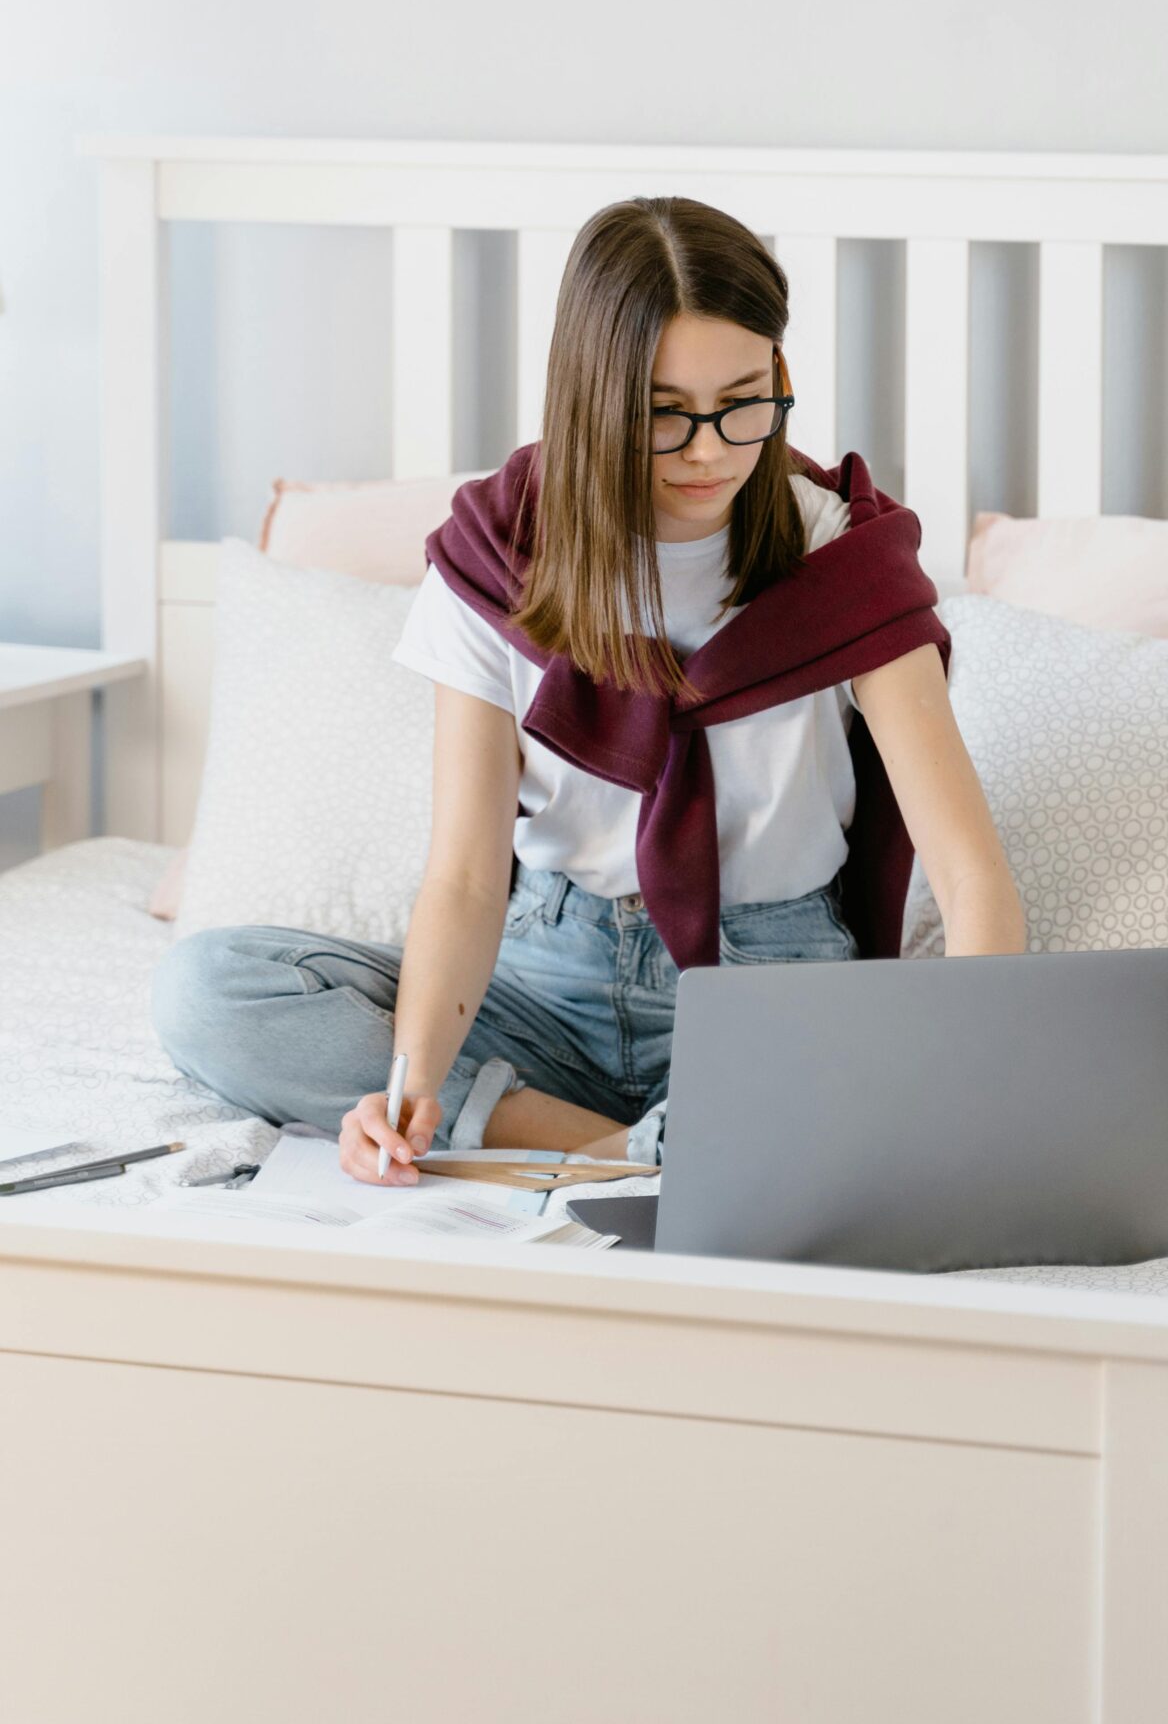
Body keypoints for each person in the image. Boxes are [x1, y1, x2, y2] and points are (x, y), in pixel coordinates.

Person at [151, 194, 1027, 1187]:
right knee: (208, 989)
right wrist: (407, 1089)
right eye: (665, 414)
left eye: (746, 399)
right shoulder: (499, 556)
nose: (711, 449)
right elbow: (469, 877)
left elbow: (969, 875)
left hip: (766, 985)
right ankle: (623, 1147)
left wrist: (963, 1086)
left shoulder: (842, 553)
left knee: (875, 1086)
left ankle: (614, 1136)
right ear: (591, 397)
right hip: (544, 982)